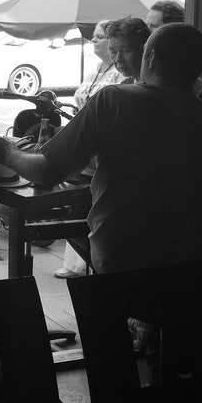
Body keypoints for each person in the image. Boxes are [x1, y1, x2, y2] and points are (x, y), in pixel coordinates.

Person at [0, 22, 202, 278]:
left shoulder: (114, 100)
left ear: (151, 56)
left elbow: (47, 172)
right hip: (197, 257)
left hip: (126, 256)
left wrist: (8, 152)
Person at [53, 19, 129, 279]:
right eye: (93, 36)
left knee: (85, 213)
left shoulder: (124, 75)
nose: (93, 40)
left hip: (103, 157)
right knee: (75, 212)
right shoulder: (95, 69)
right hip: (85, 152)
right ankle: (95, 265)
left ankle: (104, 268)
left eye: (99, 36)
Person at [144, 0, 202, 112]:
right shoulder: (133, 81)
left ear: (174, 29)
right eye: (147, 26)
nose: (147, 31)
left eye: (153, 26)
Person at [104, 16, 150, 83]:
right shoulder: (125, 84)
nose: (118, 59)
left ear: (145, 50)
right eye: (113, 52)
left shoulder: (159, 86)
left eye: (125, 51)